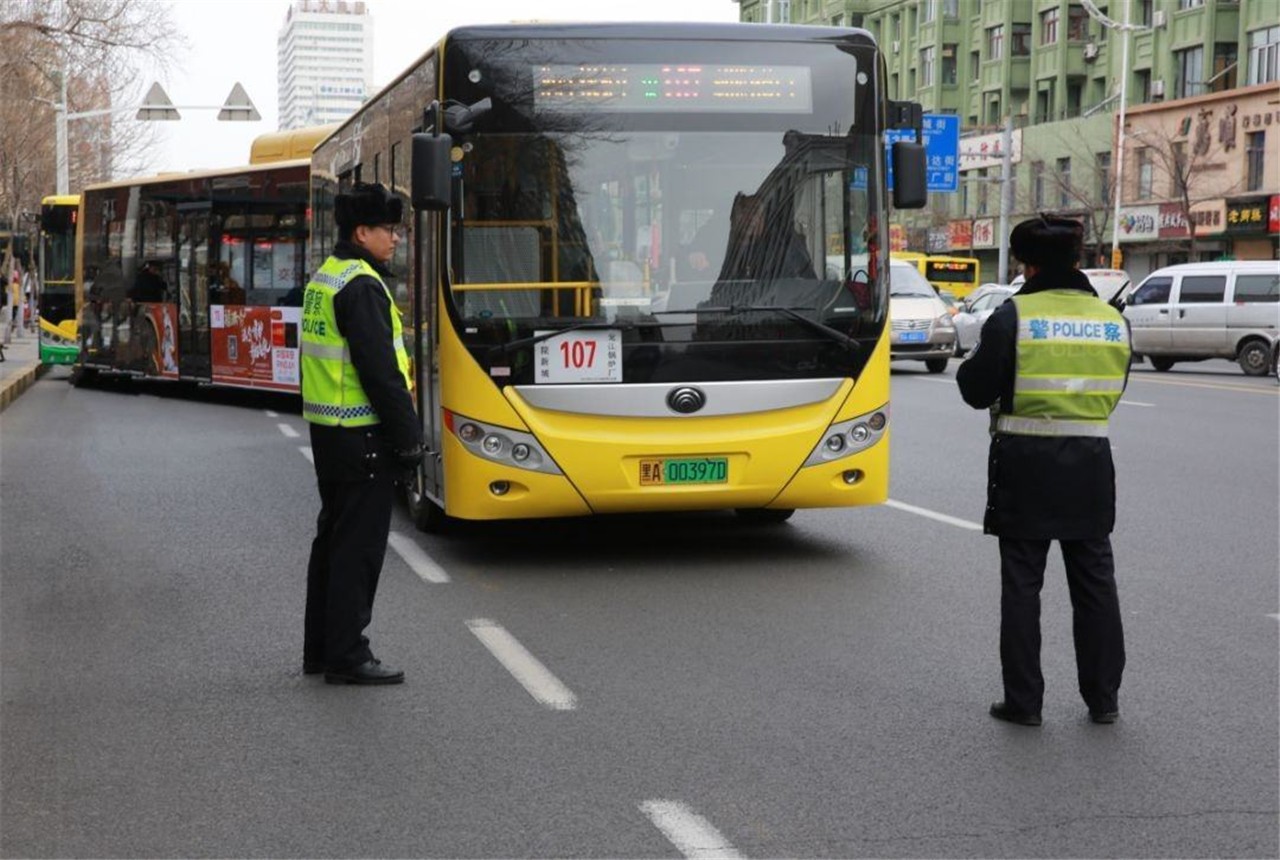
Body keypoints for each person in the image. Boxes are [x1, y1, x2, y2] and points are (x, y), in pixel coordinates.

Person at [956, 215, 1131, 727]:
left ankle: (1024, 703)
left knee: (1022, 585)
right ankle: (1104, 700)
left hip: (1025, 467)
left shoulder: (1014, 316)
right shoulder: (1110, 320)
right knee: (1096, 583)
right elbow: (1115, 391)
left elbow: (973, 390)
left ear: (1026, 265)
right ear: (1077, 259)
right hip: (1091, 467)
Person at [300, 182, 423, 686]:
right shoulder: (363, 287)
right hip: (363, 436)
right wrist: (410, 439)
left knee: (331, 542)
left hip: (330, 433)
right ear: (361, 232)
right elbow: (382, 375)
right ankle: (349, 654)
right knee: (359, 549)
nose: (395, 239)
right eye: (387, 230)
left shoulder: (324, 279)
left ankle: (322, 650)